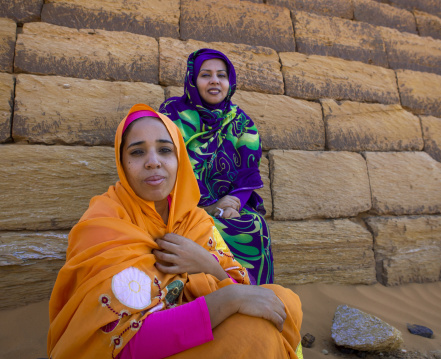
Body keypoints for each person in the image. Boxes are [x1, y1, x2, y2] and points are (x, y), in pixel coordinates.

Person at [47, 104, 303, 359]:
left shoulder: (193, 220)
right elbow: (122, 342)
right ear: (122, 163)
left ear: (179, 159)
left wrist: (207, 264)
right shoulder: (103, 226)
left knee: (284, 300)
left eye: (165, 150)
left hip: (194, 329)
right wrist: (227, 300)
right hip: (145, 348)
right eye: (137, 152)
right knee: (254, 334)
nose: (153, 162)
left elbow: (244, 291)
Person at [159, 49, 273, 285]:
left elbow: (248, 176)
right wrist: (206, 207)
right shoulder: (172, 114)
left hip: (225, 205)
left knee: (253, 226)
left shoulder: (241, 123)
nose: (214, 81)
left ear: (229, 83)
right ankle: (201, 301)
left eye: (221, 75)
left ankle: (253, 296)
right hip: (179, 205)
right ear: (193, 80)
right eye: (205, 75)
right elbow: (161, 163)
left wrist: (232, 204)